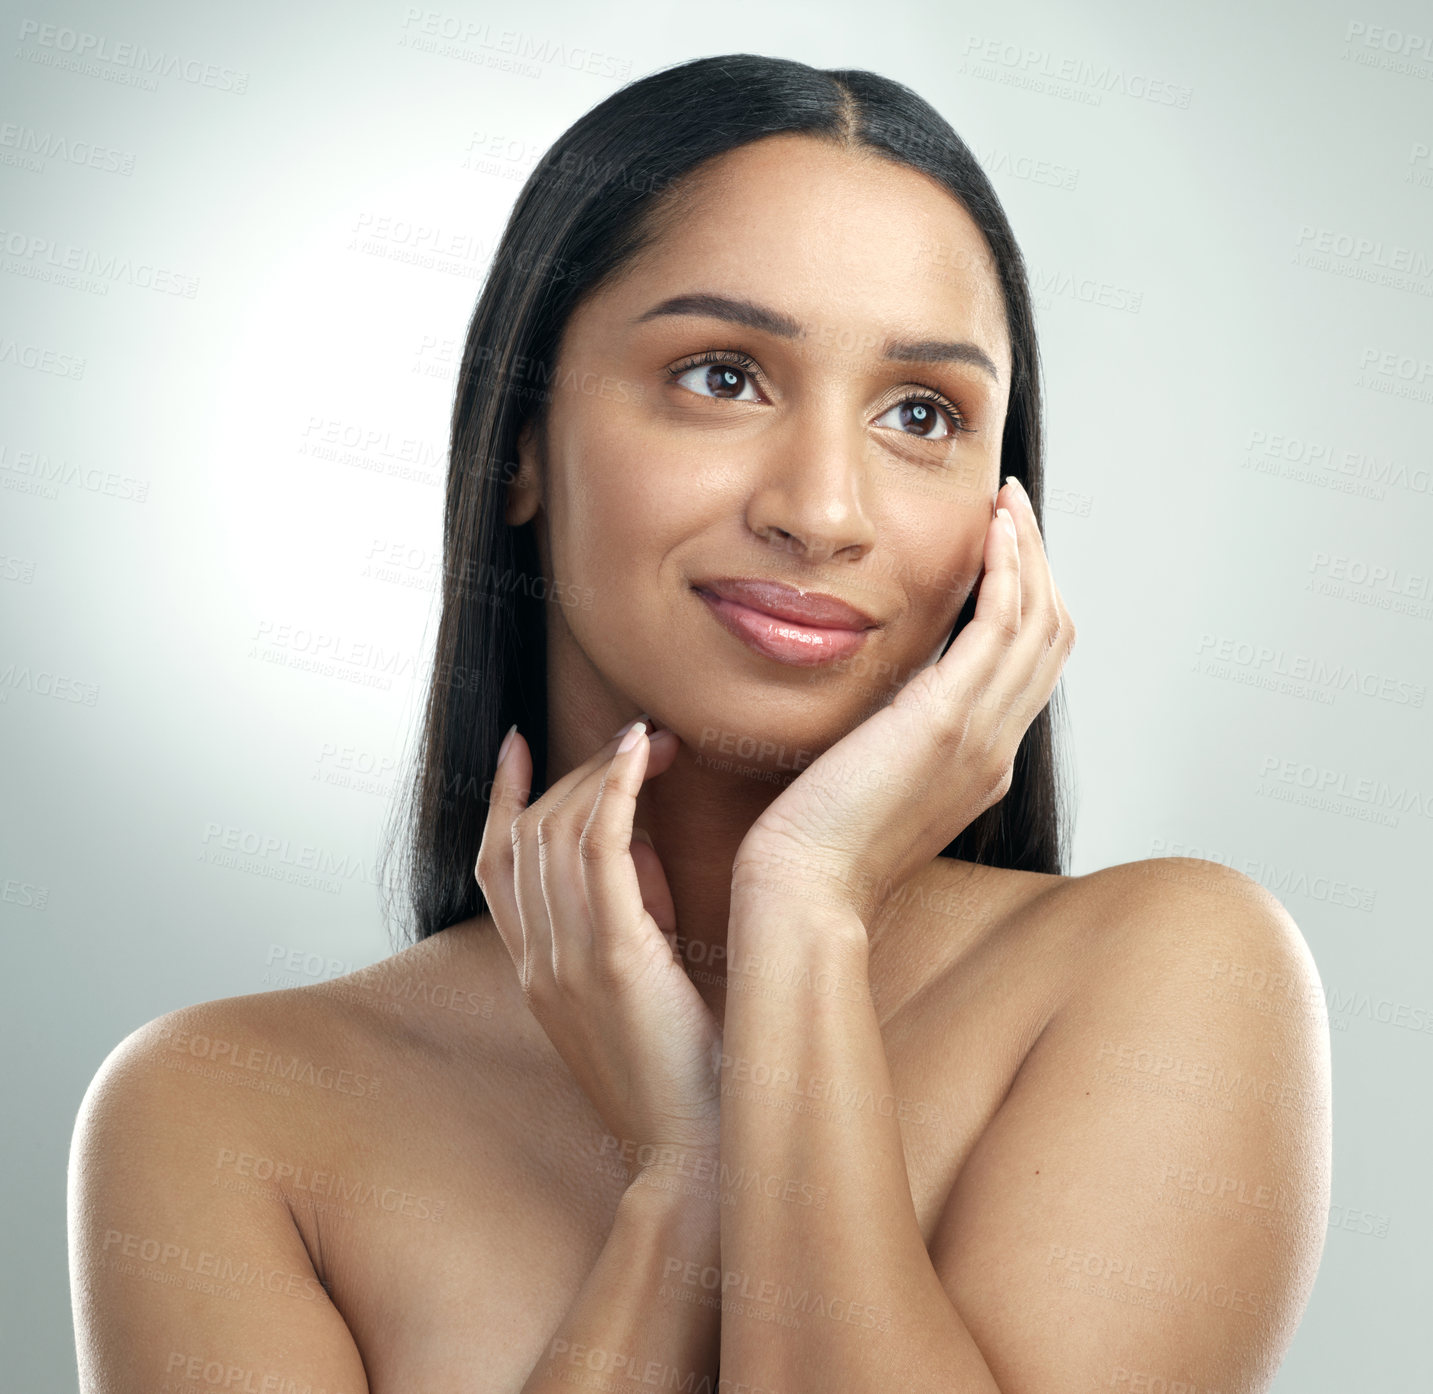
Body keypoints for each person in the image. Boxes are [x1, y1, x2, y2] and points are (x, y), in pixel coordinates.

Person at [68, 53, 1331, 1394]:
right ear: (520, 444)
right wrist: (681, 1184)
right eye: (721, 375)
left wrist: (804, 905)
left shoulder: (1169, 974)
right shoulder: (218, 1111)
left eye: (921, 413)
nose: (823, 508)